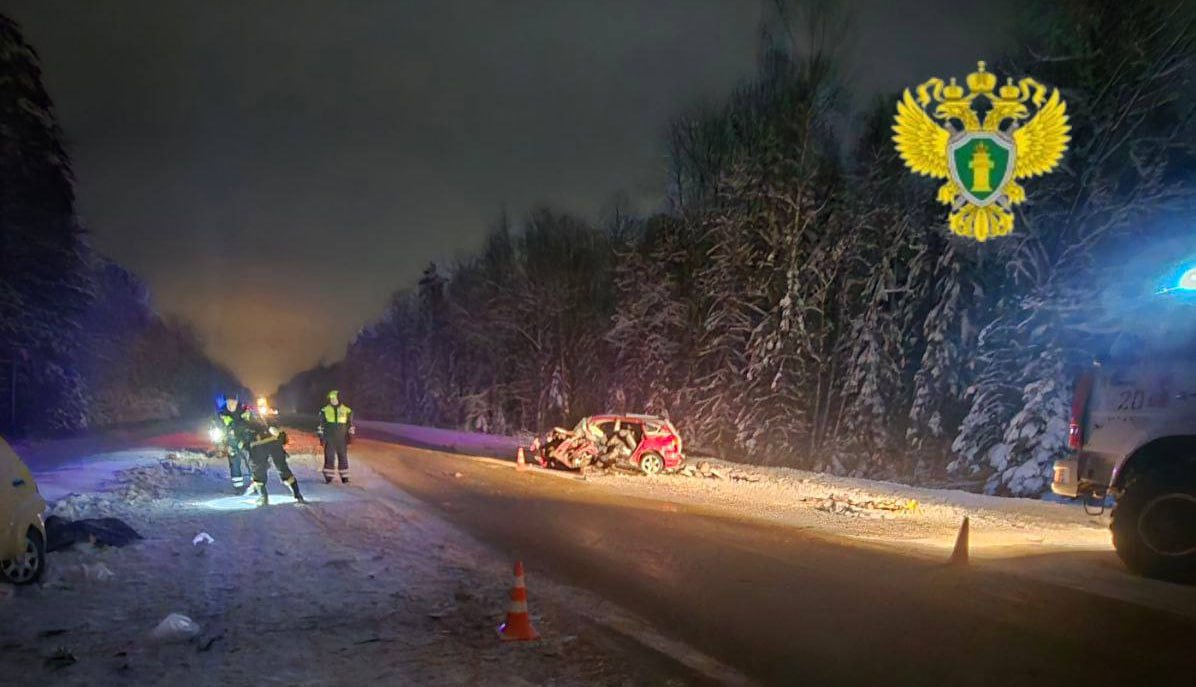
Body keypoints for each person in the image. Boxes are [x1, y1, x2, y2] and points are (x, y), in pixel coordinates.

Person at [244, 414, 305, 506]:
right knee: (279, 469)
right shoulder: (265, 421)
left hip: (263, 448)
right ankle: (297, 494)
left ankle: (264, 498)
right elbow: (283, 437)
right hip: (267, 447)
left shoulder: (263, 422)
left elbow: (283, 437)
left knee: (260, 472)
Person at [214, 396, 253, 494]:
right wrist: (221, 444)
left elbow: (251, 425)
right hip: (231, 442)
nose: (231, 404)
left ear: (237, 401)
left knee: (252, 463)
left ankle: (256, 485)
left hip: (246, 441)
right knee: (234, 464)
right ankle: (238, 488)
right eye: (229, 402)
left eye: (233, 402)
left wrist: (247, 439)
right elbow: (218, 429)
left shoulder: (244, 411)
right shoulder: (221, 414)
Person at [317, 390, 354, 484]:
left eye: (334, 398)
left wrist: (350, 437)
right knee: (329, 458)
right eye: (331, 399)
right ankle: (328, 478)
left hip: (342, 439)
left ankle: (344, 478)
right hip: (330, 439)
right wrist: (321, 437)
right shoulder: (324, 410)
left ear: (339, 399)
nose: (332, 400)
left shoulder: (347, 410)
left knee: (343, 458)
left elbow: (350, 425)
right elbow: (320, 426)